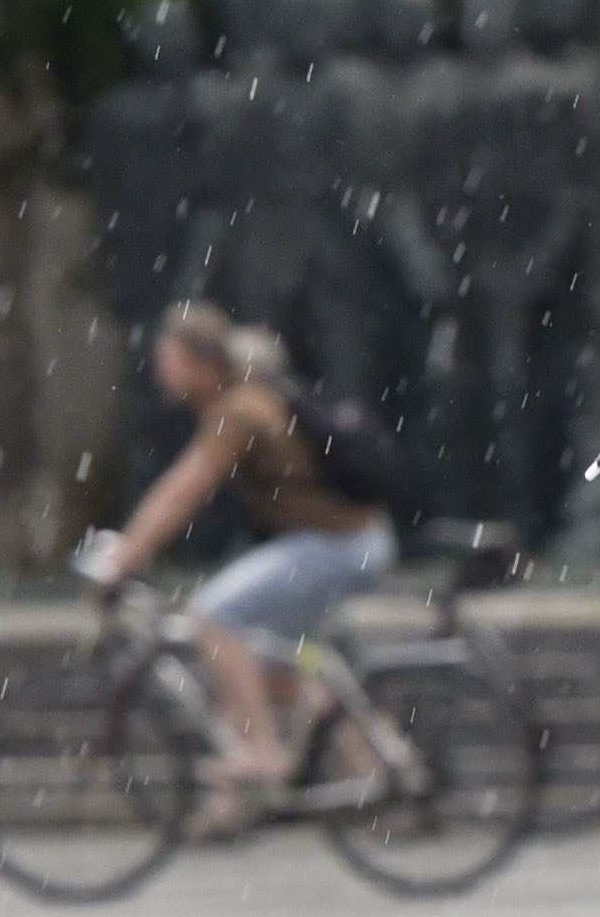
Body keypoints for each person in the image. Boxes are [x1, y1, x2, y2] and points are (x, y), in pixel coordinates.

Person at [72, 301, 400, 834]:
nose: (161, 373)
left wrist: (125, 557)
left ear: (205, 364)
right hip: (348, 542)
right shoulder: (241, 403)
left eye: (172, 360)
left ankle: (263, 755)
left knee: (212, 616)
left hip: (340, 545)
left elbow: (184, 489)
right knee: (268, 667)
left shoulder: (239, 409)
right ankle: (373, 771)